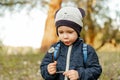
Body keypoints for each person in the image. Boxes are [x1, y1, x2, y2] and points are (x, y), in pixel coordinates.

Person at [40, 6, 102, 80]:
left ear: (78, 31)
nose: (65, 36)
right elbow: (43, 67)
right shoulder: (54, 49)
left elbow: (96, 70)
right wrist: (48, 70)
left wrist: (79, 74)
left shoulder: (87, 50)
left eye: (70, 32)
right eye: (61, 32)